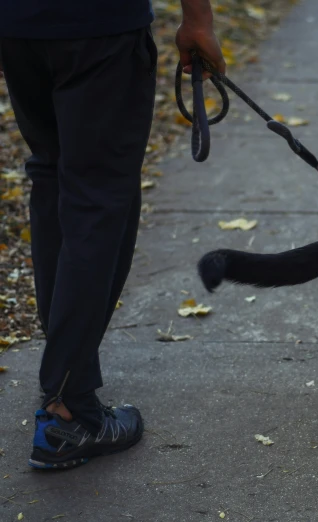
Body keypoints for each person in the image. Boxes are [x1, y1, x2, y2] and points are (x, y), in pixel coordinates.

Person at [0, 0, 225, 469]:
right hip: (99, 26)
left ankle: (64, 376)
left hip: (20, 26)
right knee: (96, 197)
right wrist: (198, 17)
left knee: (54, 177)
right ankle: (69, 412)